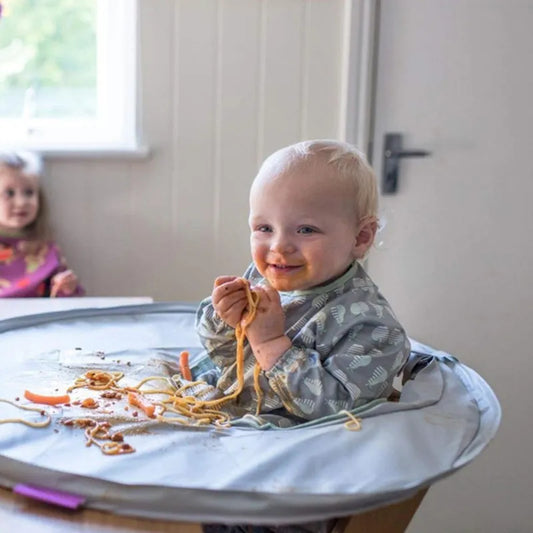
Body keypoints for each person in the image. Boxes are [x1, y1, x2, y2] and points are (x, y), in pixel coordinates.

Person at [195, 139, 410, 428]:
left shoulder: (372, 327)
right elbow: (222, 358)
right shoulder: (264, 276)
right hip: (229, 411)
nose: (278, 246)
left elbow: (340, 410)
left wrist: (271, 345)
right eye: (264, 228)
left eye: (306, 230)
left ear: (360, 238)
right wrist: (224, 320)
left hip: (293, 440)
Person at [0, 150, 84, 297]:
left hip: (36, 311)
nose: (21, 202)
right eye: (9, 193)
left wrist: (66, 287)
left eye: (29, 193)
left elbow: (63, 299)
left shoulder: (45, 248)